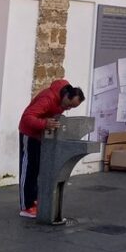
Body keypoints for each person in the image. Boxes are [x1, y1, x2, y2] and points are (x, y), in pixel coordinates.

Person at [17, 80, 86, 218]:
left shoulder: (62, 100)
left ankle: (33, 200)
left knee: (36, 168)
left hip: (39, 135)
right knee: (28, 169)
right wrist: (44, 123)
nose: (68, 109)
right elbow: (27, 118)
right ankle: (26, 206)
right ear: (67, 96)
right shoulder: (48, 99)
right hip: (29, 134)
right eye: (69, 105)